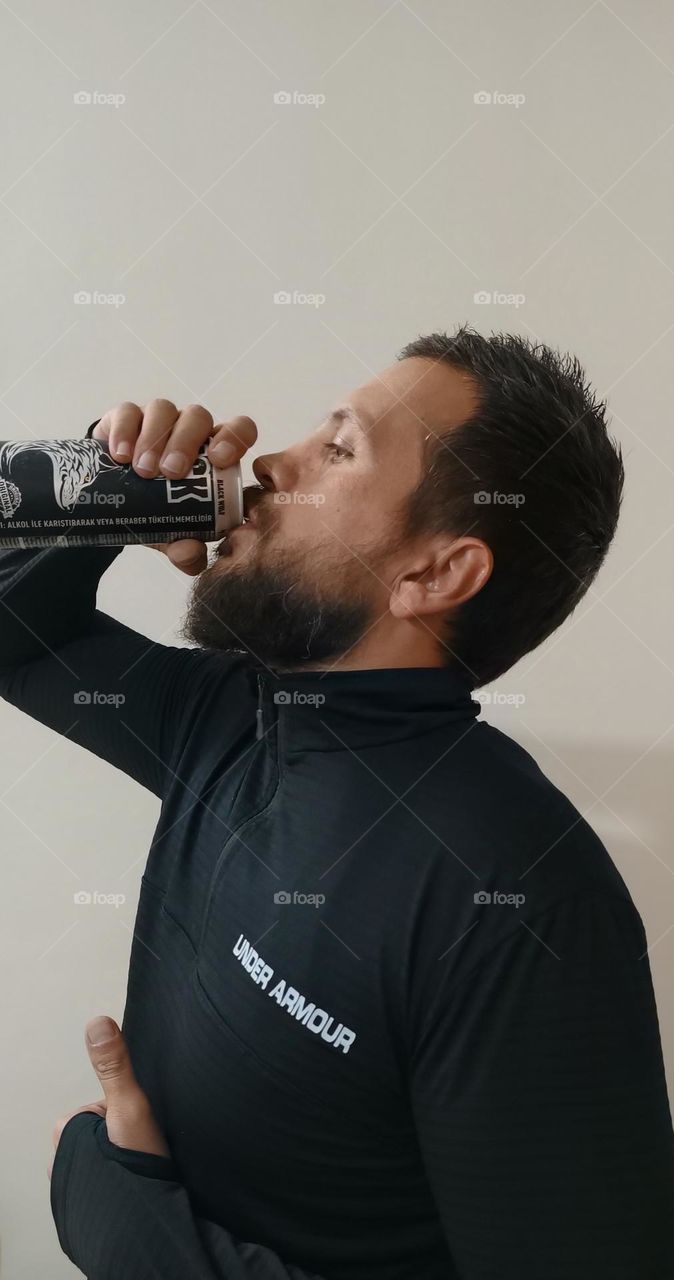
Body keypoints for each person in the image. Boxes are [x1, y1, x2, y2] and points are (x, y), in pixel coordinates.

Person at [2, 326, 672, 1279]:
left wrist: (123, 1223)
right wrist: (101, 485)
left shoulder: (520, 903)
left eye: (338, 449)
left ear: (435, 574)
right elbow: (17, 641)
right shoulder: (234, 720)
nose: (268, 464)